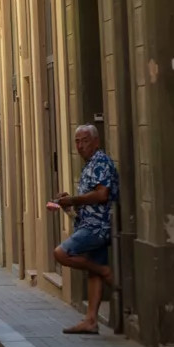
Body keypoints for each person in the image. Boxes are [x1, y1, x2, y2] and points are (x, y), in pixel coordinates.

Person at [54, 124, 121, 336]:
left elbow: (102, 195)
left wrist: (74, 200)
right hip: (88, 223)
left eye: (85, 141)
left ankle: (104, 271)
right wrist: (69, 201)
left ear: (96, 142)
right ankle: (91, 320)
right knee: (93, 273)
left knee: (61, 253)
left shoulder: (101, 162)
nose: (80, 145)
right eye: (77, 141)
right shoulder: (89, 164)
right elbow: (88, 198)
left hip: (97, 226)